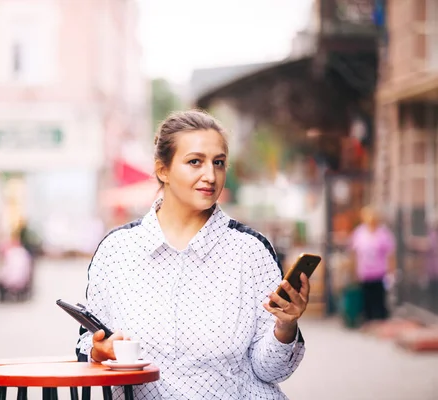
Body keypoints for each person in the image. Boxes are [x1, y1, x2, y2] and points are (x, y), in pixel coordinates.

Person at [76, 110, 308, 399]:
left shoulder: (250, 252)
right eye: (195, 161)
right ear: (163, 170)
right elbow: (87, 346)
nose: (210, 176)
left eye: (219, 163)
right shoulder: (116, 251)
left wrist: (286, 325)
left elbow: (270, 371)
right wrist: (99, 351)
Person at [349, 206, 395, 322]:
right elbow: (354, 253)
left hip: (379, 273)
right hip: (364, 273)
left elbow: (390, 254)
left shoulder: (383, 233)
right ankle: (368, 321)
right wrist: (353, 270)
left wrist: (391, 272)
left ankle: (380, 321)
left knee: (379, 300)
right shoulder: (359, 233)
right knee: (366, 300)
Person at [0, 229, 32, 303]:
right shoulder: (24, 253)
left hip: (10, 280)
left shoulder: (10, 252)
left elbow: (6, 269)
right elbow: (28, 269)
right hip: (23, 281)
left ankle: (1, 297)